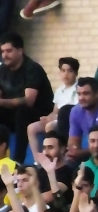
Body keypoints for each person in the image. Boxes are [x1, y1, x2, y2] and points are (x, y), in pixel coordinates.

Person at [0, 32, 54, 163]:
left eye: (9, 51)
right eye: (2, 51)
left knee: (22, 111)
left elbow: (29, 100)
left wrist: (2, 102)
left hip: (38, 113)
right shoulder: (3, 70)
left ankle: (18, 160)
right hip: (13, 115)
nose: (4, 55)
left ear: (20, 50)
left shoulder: (32, 69)